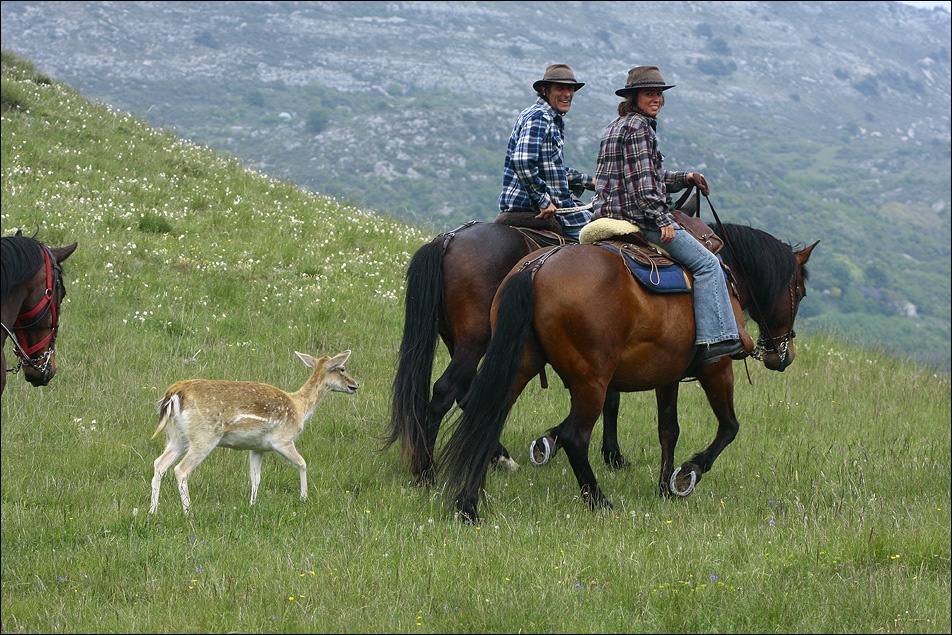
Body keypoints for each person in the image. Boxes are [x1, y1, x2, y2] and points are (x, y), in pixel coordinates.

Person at [591, 65, 750, 365]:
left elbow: (651, 174)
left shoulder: (616, 125)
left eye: (659, 94)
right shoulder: (640, 128)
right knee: (708, 263)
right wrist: (662, 219)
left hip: (605, 214)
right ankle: (714, 341)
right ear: (634, 96)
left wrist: (686, 177)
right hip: (636, 218)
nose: (656, 100)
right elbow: (645, 188)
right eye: (649, 94)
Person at [499, 63, 595, 241]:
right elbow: (522, 161)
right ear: (545, 90)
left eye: (570, 88)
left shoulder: (548, 117)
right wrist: (542, 200)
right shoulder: (540, 117)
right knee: (603, 239)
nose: (567, 94)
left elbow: (551, 169)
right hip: (531, 206)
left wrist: (591, 182)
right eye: (560, 88)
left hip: (546, 203)